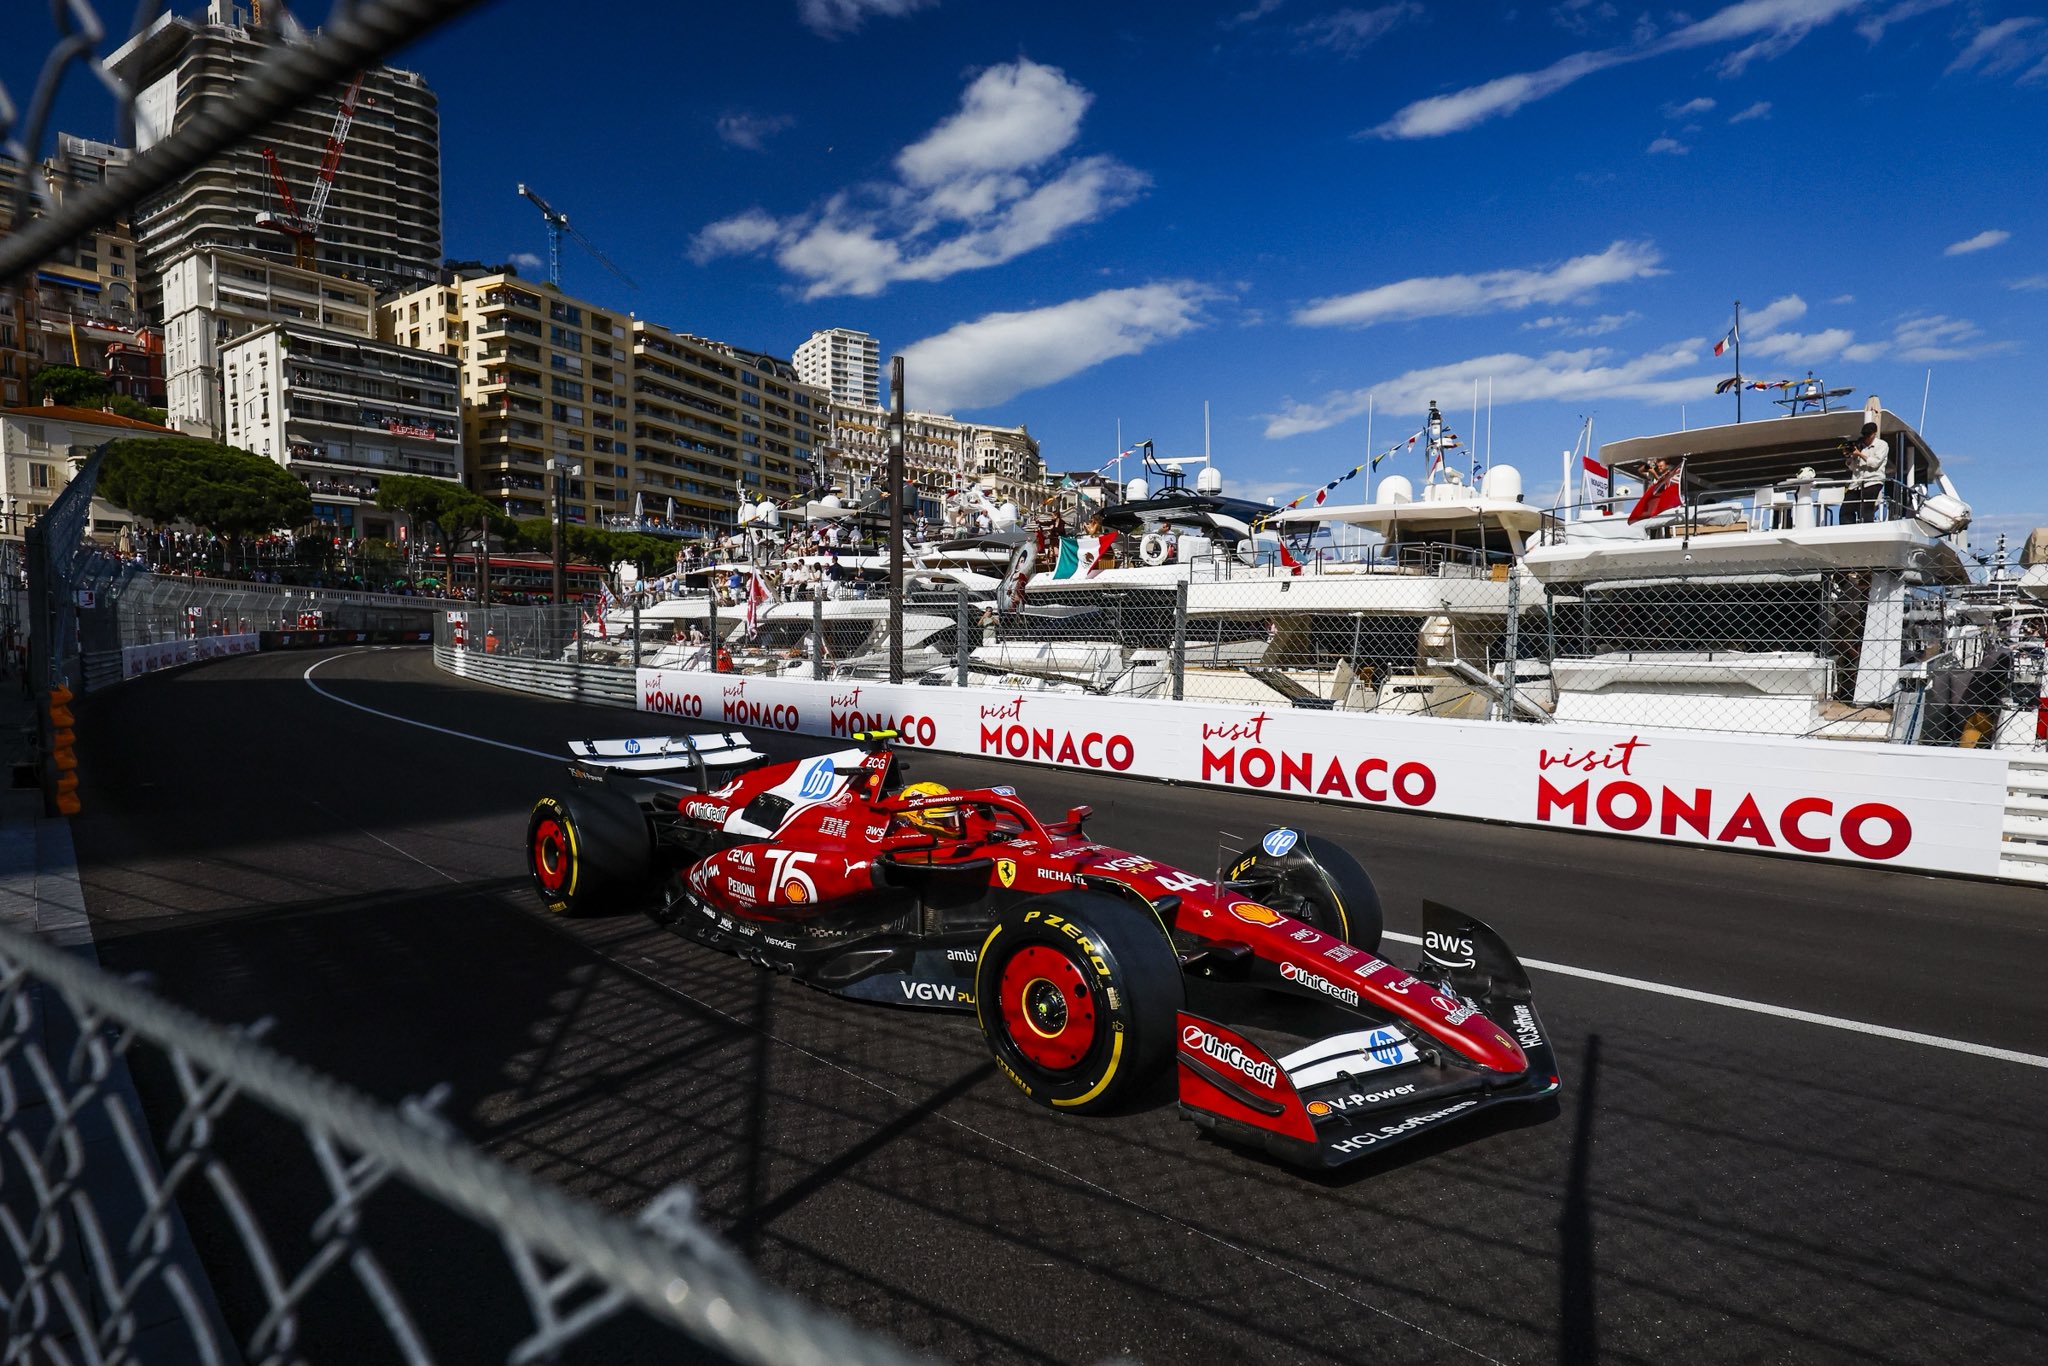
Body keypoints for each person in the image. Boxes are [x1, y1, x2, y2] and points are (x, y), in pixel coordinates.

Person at [1842, 422, 1889, 525]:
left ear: (1874, 433)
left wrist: (1860, 454)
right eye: (1864, 435)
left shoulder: (1882, 445)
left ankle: (1866, 529)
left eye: (1868, 434)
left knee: (1865, 509)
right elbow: (1853, 467)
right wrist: (1851, 457)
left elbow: (1875, 463)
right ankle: (1847, 530)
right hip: (1856, 483)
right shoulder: (1859, 445)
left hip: (1872, 481)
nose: (1866, 437)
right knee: (1845, 510)